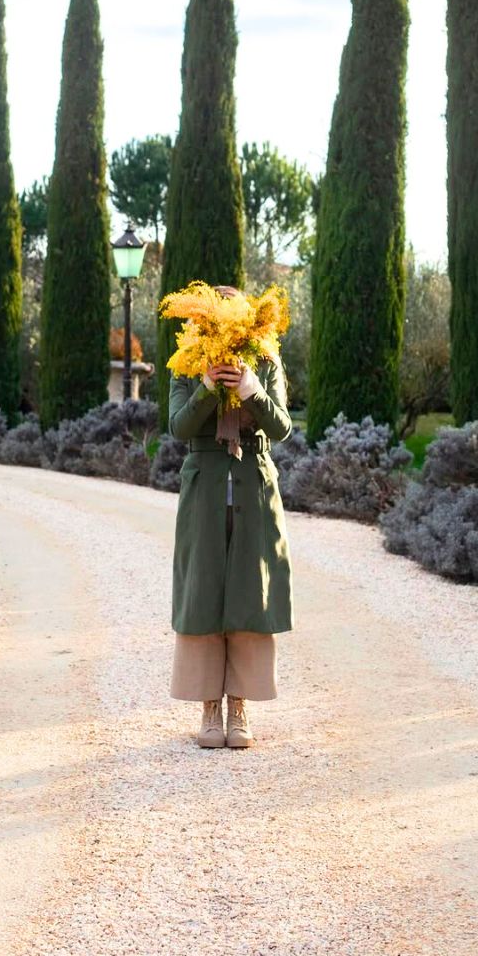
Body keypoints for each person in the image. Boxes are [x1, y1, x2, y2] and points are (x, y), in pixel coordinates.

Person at [167, 285, 294, 748]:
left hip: (254, 487)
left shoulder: (263, 356)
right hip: (204, 492)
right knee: (203, 592)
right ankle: (208, 709)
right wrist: (205, 387)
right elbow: (178, 426)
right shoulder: (187, 360)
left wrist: (253, 391)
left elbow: (282, 427)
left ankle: (239, 704)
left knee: (248, 593)